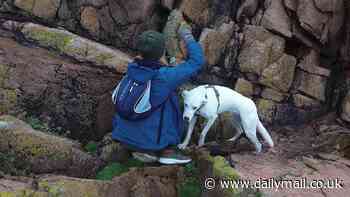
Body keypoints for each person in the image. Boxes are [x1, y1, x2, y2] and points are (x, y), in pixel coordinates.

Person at [112, 23, 205, 165]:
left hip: (122, 136)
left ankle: (136, 145)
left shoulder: (132, 69)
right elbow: (197, 62)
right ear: (161, 53)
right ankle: (166, 150)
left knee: (155, 97)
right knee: (171, 98)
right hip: (150, 143)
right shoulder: (165, 77)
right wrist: (187, 36)